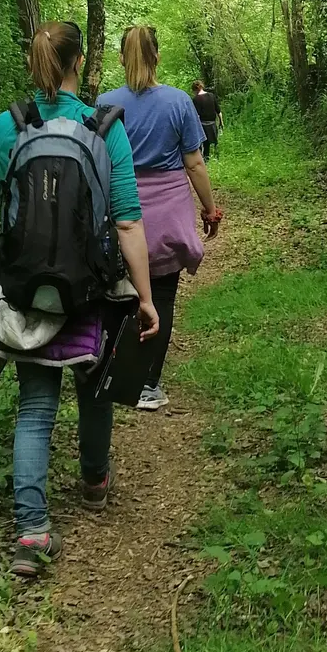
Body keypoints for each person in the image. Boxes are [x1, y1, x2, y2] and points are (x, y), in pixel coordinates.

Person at [0, 21, 160, 577]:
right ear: (80, 61)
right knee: (93, 388)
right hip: (90, 288)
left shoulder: (8, 125)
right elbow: (127, 221)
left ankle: (32, 533)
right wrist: (145, 297)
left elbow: (4, 196)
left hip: (26, 288)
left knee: (35, 406)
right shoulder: (104, 127)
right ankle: (95, 481)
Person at [99, 27, 222, 411]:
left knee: (122, 293)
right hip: (167, 211)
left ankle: (113, 373)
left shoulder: (104, 103)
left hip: (121, 208)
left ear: (121, 58)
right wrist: (210, 209)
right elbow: (194, 163)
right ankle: (148, 384)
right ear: (157, 57)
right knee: (162, 295)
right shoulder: (178, 101)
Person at [190, 79, 223, 160]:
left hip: (202, 124)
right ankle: (216, 157)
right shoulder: (211, 96)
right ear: (202, 87)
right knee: (214, 142)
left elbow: (196, 115)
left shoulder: (196, 99)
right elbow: (218, 111)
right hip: (212, 124)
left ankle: (203, 159)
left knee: (202, 143)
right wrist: (221, 122)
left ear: (194, 90)